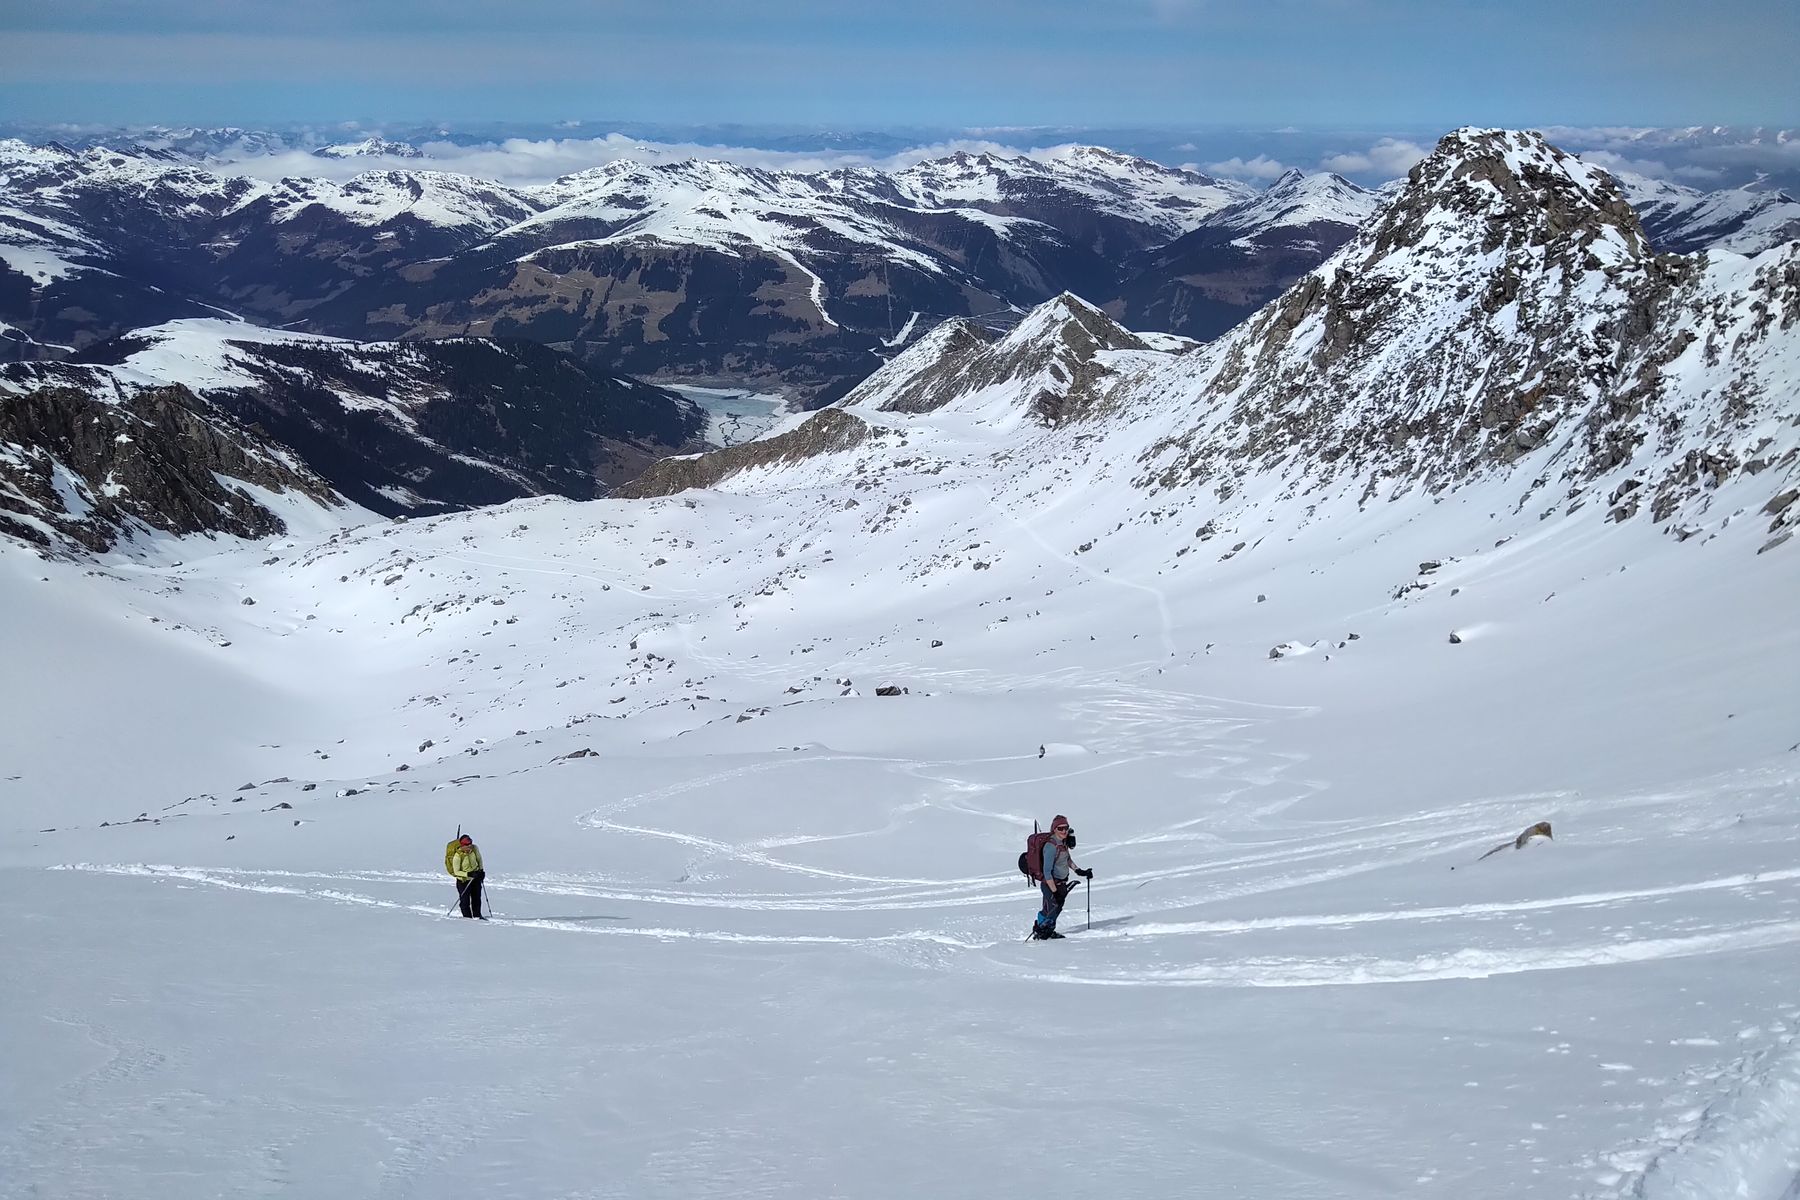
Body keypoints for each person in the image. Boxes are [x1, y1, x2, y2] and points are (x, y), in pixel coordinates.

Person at [1032, 815, 1092, 939]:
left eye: (1066, 828)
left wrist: (1079, 871)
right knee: (1050, 909)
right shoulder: (1050, 846)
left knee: (1057, 908)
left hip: (1061, 883)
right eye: (1060, 828)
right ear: (1054, 829)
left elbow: (1067, 859)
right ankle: (1040, 932)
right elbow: (1047, 872)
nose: (1064, 831)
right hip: (1050, 884)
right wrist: (1055, 892)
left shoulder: (1063, 843)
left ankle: (1049, 931)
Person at [446, 833, 486, 918]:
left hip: (475, 878)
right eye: (467, 845)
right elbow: (456, 871)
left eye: (470, 843)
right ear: (462, 845)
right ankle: (467, 919)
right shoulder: (457, 856)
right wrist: (468, 874)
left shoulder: (474, 849)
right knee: (465, 901)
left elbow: (479, 859)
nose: (469, 846)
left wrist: (481, 871)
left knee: (476, 898)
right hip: (463, 881)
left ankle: (477, 916)